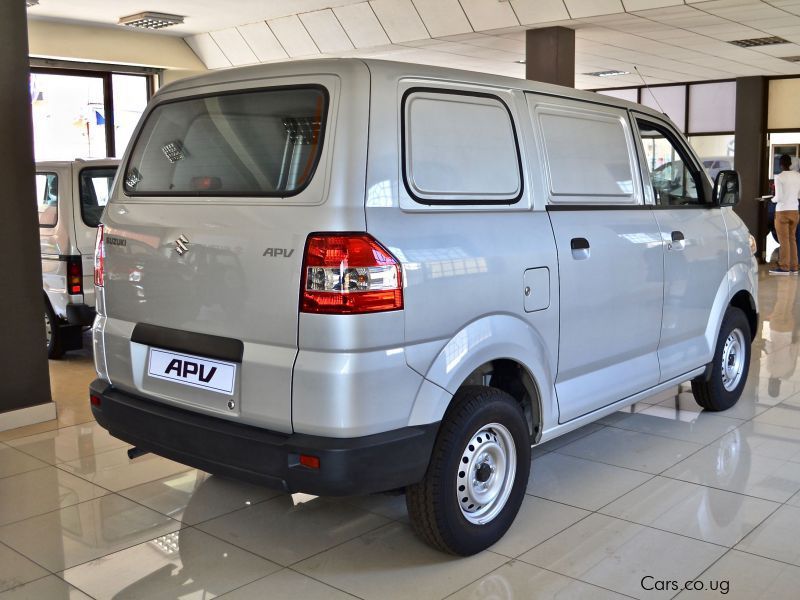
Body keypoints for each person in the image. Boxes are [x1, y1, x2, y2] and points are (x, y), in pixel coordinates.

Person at [771, 154, 800, 275]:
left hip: (782, 211)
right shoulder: (798, 176)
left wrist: (771, 199)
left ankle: (784, 267)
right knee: (792, 239)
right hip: (795, 211)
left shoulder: (779, 177)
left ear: (780, 164)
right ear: (790, 164)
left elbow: (779, 197)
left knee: (784, 240)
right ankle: (794, 266)